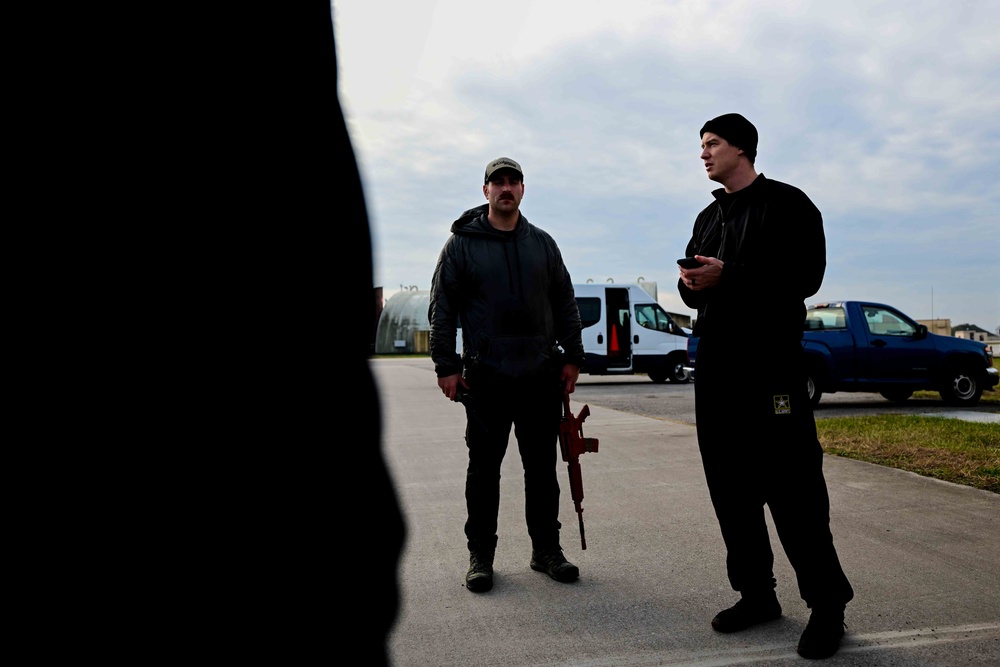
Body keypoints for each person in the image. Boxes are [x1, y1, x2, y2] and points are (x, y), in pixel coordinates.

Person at [677, 114, 854, 660]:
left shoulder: (789, 204)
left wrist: (730, 275)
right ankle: (757, 595)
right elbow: (694, 296)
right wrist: (693, 283)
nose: (703, 154)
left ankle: (828, 606)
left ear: (742, 149)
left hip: (771, 367)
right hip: (718, 369)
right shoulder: (708, 216)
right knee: (730, 487)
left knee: (794, 488)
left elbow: (805, 276)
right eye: (701, 146)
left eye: (712, 145)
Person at [429, 157, 587, 593]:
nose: (505, 188)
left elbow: (565, 302)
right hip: (486, 379)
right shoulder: (461, 245)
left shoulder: (543, 244)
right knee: (484, 471)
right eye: (497, 181)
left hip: (539, 376)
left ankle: (546, 551)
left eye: (512, 181)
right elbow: (442, 306)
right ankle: (481, 556)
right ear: (485, 191)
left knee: (541, 470)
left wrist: (572, 357)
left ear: (522, 189)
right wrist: (446, 365)